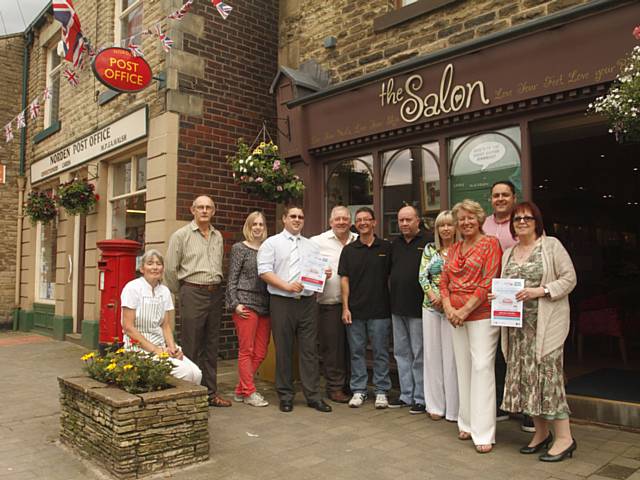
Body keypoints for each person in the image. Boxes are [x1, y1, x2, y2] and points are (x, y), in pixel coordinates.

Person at [493, 201, 577, 462]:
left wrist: (540, 291)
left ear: (537, 222)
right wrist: (496, 296)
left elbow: (569, 279)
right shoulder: (509, 252)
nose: (522, 222)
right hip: (517, 330)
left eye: (528, 218)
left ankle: (565, 438)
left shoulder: (551, 246)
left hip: (545, 326)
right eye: (518, 219)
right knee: (528, 382)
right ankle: (541, 434)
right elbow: (507, 286)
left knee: (548, 380)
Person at [440, 199, 502, 454]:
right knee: (463, 368)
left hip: (481, 315)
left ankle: (484, 430)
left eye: (470, 218)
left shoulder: (490, 244)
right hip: (455, 315)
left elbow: (489, 280)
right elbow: (444, 281)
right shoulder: (454, 249)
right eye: (461, 219)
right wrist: (449, 308)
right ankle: (465, 422)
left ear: (480, 219)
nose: (465, 222)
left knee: (482, 368)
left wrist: (465, 310)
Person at [257, 206, 332, 414]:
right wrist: (286, 286)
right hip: (282, 301)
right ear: (284, 219)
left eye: (300, 217)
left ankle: (313, 396)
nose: (297, 220)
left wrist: (325, 273)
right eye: (293, 216)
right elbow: (264, 271)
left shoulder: (312, 246)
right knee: (284, 349)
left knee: (309, 350)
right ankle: (286, 395)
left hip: (307, 302)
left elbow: (317, 273)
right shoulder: (271, 243)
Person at [164, 196, 231, 407]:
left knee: (212, 346)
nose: (204, 210)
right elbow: (170, 269)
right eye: (200, 207)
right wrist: (181, 293)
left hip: (215, 293)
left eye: (208, 207)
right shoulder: (181, 236)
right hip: (192, 291)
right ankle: (189, 395)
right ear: (192, 210)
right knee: (191, 345)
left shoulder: (218, 236)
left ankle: (211, 393)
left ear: (214, 211)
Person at [483, 180, 535, 432]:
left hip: (524, 298)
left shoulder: (524, 221)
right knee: (500, 355)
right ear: (490, 199)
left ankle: (529, 410)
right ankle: (504, 405)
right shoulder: (484, 224)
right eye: (496, 195)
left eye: (505, 195)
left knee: (525, 355)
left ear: (514, 197)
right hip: (494, 300)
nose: (500, 199)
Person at [121, 249, 202, 384]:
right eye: (150, 263)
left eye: (158, 264)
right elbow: (128, 327)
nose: (155, 267)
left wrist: (173, 348)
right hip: (138, 350)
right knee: (186, 374)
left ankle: (188, 405)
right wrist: (155, 350)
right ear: (142, 268)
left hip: (161, 347)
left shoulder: (164, 291)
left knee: (196, 373)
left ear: (162, 268)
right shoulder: (132, 288)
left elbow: (165, 326)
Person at [339, 207, 392, 409]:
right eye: (359, 220)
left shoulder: (386, 247)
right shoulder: (349, 250)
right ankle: (359, 390)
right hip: (355, 311)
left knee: (380, 352)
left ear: (374, 222)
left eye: (366, 219)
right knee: (357, 352)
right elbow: (344, 280)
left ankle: (381, 391)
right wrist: (345, 307)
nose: (362, 223)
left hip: (380, 310)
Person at [311, 206, 358, 403]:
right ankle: (335, 387)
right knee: (333, 348)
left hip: (356, 303)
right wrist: (319, 274)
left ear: (350, 221)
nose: (341, 222)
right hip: (329, 303)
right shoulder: (317, 242)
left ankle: (353, 385)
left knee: (353, 347)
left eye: (345, 219)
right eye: (337, 219)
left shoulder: (358, 239)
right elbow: (310, 270)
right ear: (330, 222)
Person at [225, 211, 271, 407]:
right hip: (245, 304)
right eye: (254, 224)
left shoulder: (269, 249)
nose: (258, 227)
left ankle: (241, 389)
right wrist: (235, 303)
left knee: (260, 352)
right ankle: (250, 392)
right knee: (247, 350)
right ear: (248, 227)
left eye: (261, 224)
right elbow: (232, 278)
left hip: (265, 306)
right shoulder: (239, 248)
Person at [418, 210, 459, 422]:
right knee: (432, 356)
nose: (445, 229)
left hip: (454, 309)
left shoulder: (461, 249)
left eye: (449, 225)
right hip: (431, 307)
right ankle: (435, 404)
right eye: (441, 225)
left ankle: (454, 409)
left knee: (452, 358)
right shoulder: (430, 249)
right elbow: (422, 276)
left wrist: (448, 302)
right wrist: (434, 296)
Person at [388, 205, 429, 414]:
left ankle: (421, 397)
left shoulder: (428, 243)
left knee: (419, 354)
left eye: (408, 220)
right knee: (401, 353)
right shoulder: (394, 244)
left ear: (417, 221)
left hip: (419, 309)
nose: (404, 224)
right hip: (397, 308)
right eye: (401, 220)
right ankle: (406, 394)